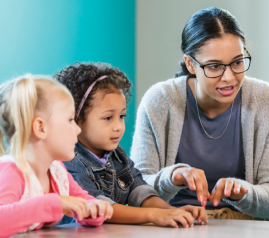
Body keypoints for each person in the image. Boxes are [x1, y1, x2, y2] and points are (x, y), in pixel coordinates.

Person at [131, 7, 269, 220]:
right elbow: (134, 191)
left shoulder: (268, 101)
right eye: (214, 66)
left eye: (237, 62)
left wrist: (243, 193)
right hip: (175, 221)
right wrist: (172, 178)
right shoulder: (160, 100)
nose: (229, 77)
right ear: (190, 64)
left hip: (246, 227)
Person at [55, 62, 207, 228]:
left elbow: (138, 189)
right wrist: (154, 215)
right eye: (108, 118)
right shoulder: (68, 162)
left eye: (121, 116)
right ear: (76, 119)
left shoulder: (117, 155)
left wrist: (171, 211)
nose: (119, 126)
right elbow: (98, 208)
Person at [0, 75, 112, 237]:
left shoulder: (57, 172)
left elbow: (82, 201)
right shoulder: (12, 171)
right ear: (40, 128)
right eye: (70, 120)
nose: (77, 129)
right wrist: (55, 203)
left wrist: (94, 209)